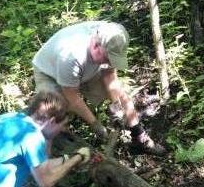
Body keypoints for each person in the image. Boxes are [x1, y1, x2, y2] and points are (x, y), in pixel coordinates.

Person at [33, 20, 165, 155]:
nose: (109, 62)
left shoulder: (112, 38)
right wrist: (95, 124)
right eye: (108, 58)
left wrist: (116, 104)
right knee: (53, 112)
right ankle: (59, 151)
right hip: (50, 73)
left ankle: (139, 137)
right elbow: (72, 96)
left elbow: (110, 77)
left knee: (121, 96)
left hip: (86, 68)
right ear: (96, 46)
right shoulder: (71, 55)